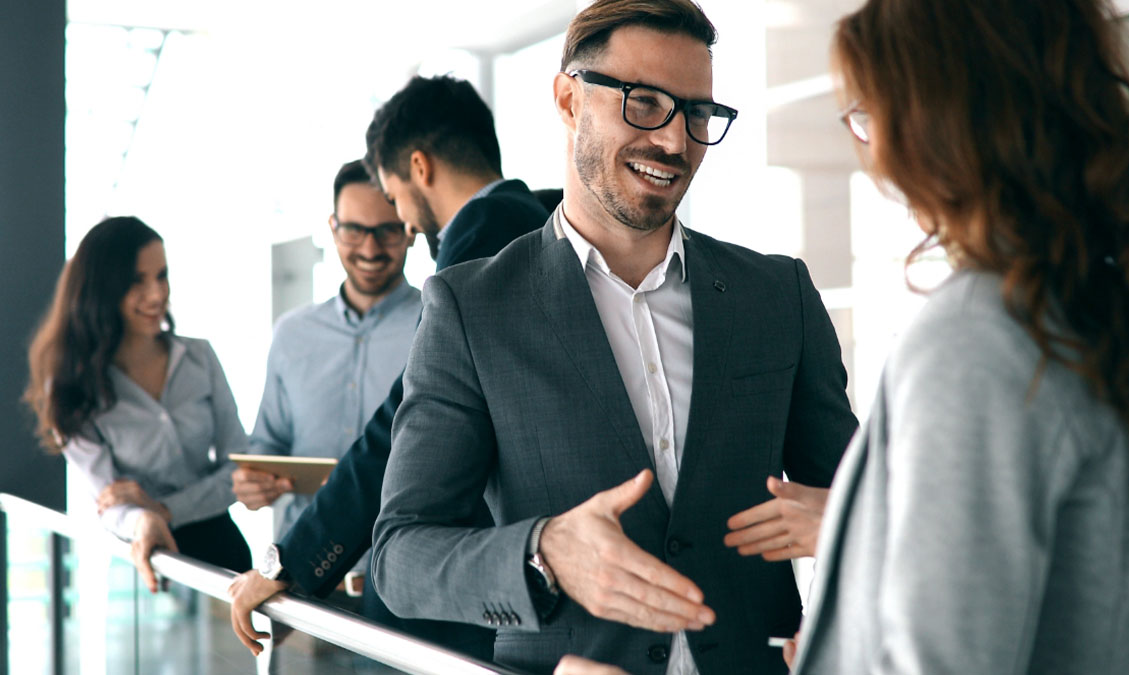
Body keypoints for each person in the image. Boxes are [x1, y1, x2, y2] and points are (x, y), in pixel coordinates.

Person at [370, 1, 858, 673]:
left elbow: (857, 500)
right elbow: (402, 555)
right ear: (568, 98)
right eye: (645, 102)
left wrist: (850, 523)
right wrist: (545, 554)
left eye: (696, 113)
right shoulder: (471, 308)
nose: (674, 142)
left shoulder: (778, 296)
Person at [785, 1, 1129, 674]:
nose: (873, 153)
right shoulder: (1105, 314)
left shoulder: (977, 337)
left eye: (871, 114)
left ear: (941, 122)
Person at [227, 75, 549, 660]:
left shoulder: (484, 242)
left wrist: (290, 560)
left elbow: (408, 425)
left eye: (394, 201)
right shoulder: (532, 221)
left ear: (419, 167)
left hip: (461, 594)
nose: (402, 223)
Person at [24, 216, 252, 592]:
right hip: (142, 563)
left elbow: (239, 471)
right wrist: (144, 519)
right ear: (101, 290)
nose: (156, 294)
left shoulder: (200, 357)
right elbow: (109, 504)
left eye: (161, 276)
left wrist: (161, 508)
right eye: (136, 281)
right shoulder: (72, 389)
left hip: (224, 558)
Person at [231, 159, 419, 590]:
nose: (370, 250)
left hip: (397, 585)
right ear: (333, 228)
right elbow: (267, 443)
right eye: (354, 230)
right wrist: (252, 484)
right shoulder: (292, 334)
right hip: (299, 583)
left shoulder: (437, 324)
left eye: (387, 231)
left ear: (409, 229)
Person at [367, 74, 551, 270]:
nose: (408, 227)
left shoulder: (472, 244)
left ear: (420, 167)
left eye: (393, 198)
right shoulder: (533, 213)